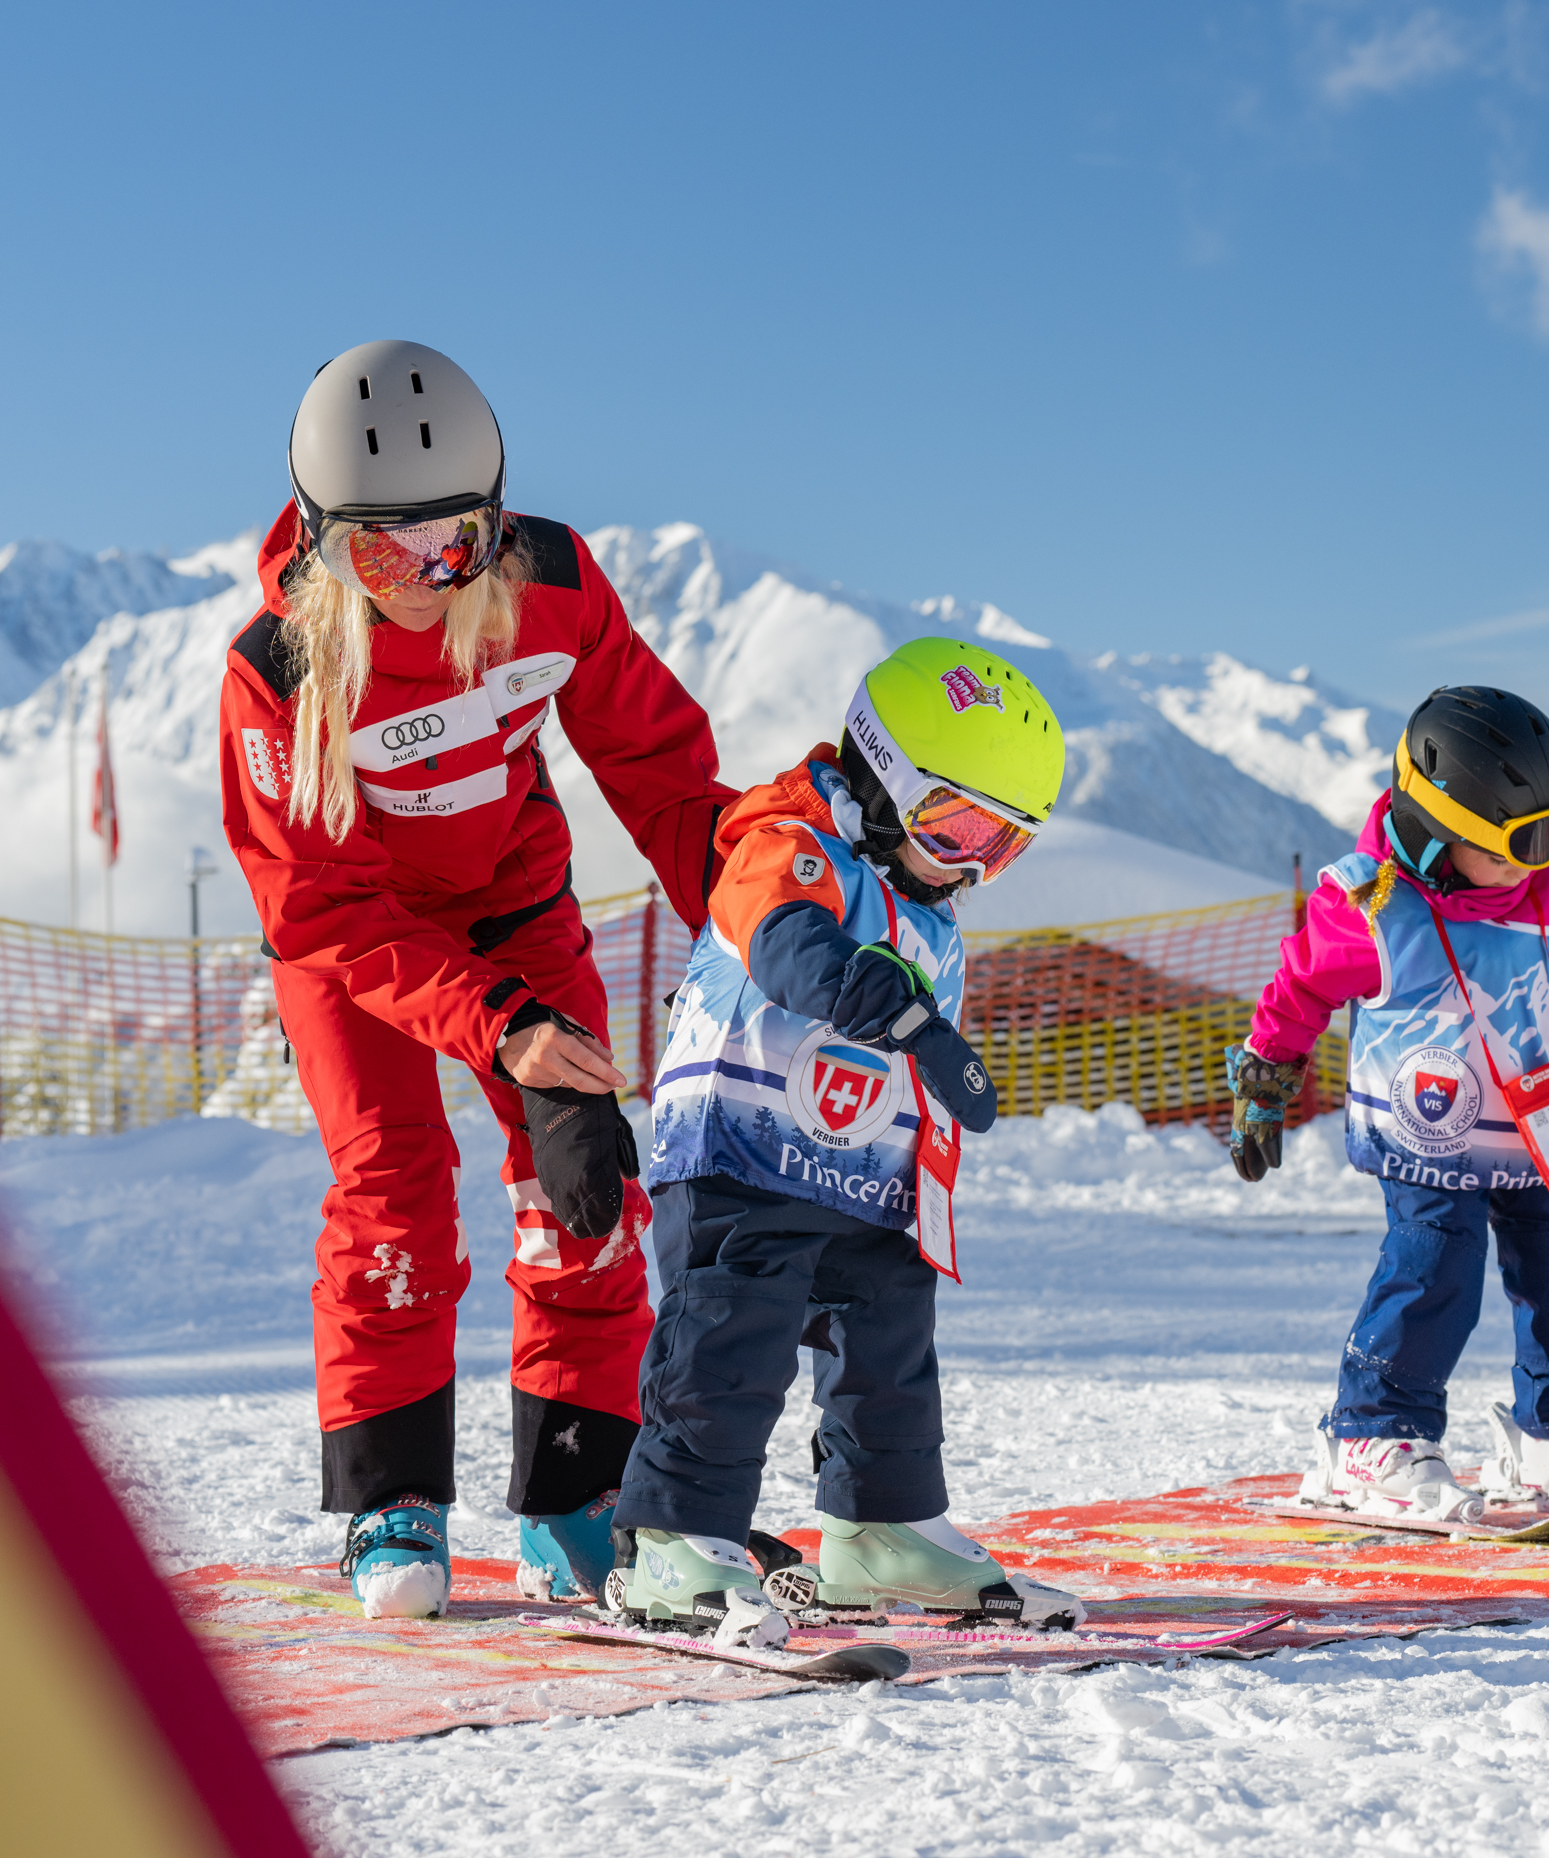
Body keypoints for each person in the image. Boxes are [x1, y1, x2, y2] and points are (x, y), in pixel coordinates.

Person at [219, 340, 738, 1618]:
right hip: (354, 946)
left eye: (449, 547)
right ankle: (393, 1499)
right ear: (319, 542)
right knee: (396, 1192)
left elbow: (664, 776)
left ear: (495, 525)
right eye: (376, 555)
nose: (415, 584)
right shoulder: (277, 670)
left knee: (586, 1187)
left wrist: (755, 923)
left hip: (513, 908)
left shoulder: (550, 587)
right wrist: (496, 1028)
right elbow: (315, 898)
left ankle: (575, 1492)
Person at [605, 638, 1089, 1647]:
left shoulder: (926, 904)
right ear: (883, 775)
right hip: (740, 1148)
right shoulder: (789, 837)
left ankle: (880, 1524)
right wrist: (908, 1017)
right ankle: (673, 1543)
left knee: (889, 1346)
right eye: (954, 826)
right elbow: (789, 948)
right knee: (730, 1336)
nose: (968, 863)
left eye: (999, 847)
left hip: (860, 1165)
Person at [1227, 686, 1549, 1521]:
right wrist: (1264, 1081)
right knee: (1435, 1265)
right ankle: (1372, 1436)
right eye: (1519, 842)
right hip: (1426, 1123)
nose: (1540, 859)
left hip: (1538, 1122)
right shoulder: (1371, 906)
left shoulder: (1548, 895)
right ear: (1439, 829)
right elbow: (1297, 989)